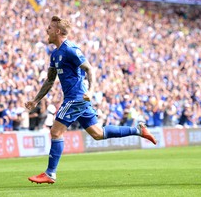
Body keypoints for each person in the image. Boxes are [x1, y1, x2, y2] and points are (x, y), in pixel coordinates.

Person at [26, 16, 157, 184]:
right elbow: (50, 80)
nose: (47, 30)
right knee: (97, 133)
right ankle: (138, 130)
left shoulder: (71, 49)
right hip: (77, 99)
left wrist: (92, 90)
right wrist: (36, 100)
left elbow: (89, 68)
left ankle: (50, 173)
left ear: (58, 31)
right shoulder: (55, 54)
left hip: (76, 98)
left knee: (55, 132)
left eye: (50, 28)